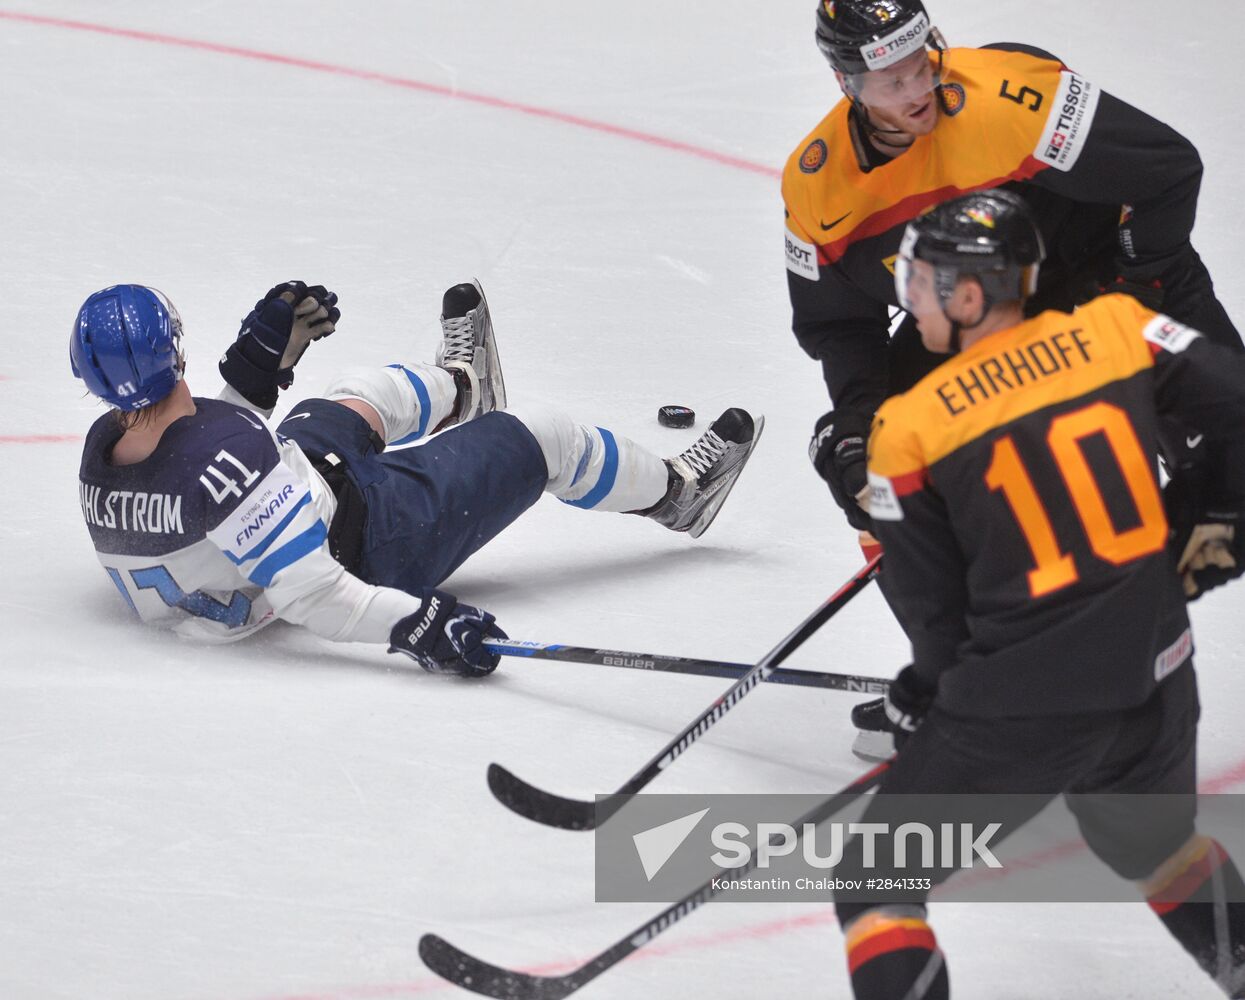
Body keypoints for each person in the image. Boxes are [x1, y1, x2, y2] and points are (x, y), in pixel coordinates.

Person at [829, 189, 1245, 999]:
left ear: (971, 295)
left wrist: (922, 696)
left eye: (919, 280)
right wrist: (1213, 518)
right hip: (1156, 672)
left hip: (1019, 708)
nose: (907, 296)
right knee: (1161, 851)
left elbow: (936, 621)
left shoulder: (907, 430)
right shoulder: (1119, 329)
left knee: (874, 887)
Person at [72, 279, 762, 676]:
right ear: (176, 347)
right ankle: (679, 494)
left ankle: (464, 384)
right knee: (542, 436)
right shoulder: (227, 459)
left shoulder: (104, 453)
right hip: (373, 540)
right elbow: (317, 594)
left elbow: (204, 472)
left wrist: (253, 372)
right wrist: (421, 627)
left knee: (357, 394)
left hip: (301, 490)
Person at [786, 0, 1242, 539]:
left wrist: (1135, 288)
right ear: (848, 84)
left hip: (1104, 267)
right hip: (978, 318)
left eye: (923, 62)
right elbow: (840, 325)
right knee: (884, 474)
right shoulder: (815, 188)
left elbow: (1166, 171)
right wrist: (859, 420)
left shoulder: (1007, 98)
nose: (918, 89)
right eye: (892, 80)